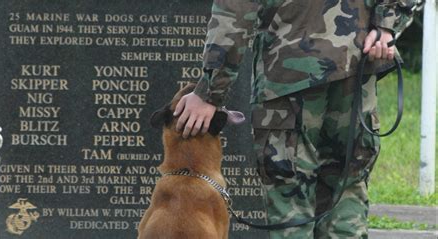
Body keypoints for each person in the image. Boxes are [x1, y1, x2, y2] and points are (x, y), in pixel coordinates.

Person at [174, 0, 420, 238]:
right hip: (355, 69)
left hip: (288, 77)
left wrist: (209, 92)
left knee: (290, 193)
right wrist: (386, 26)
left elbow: (235, 11)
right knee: (346, 191)